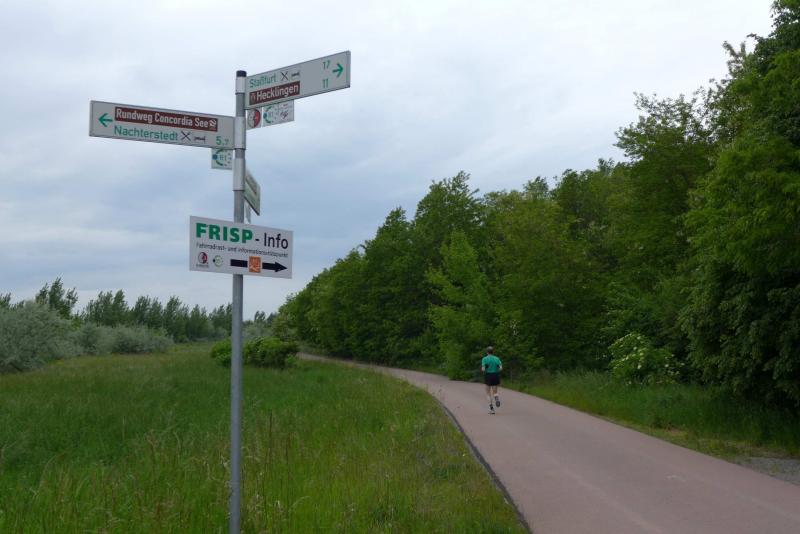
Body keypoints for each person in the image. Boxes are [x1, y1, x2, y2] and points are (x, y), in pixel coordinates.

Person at [481, 346, 503, 414]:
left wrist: (484, 368)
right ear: (493, 352)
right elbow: (501, 368)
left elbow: (483, 369)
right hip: (495, 375)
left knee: (488, 393)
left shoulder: (484, 359)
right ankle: (496, 398)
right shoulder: (497, 358)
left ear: (487, 352)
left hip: (488, 376)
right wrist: (497, 370)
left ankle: (492, 409)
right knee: (495, 392)